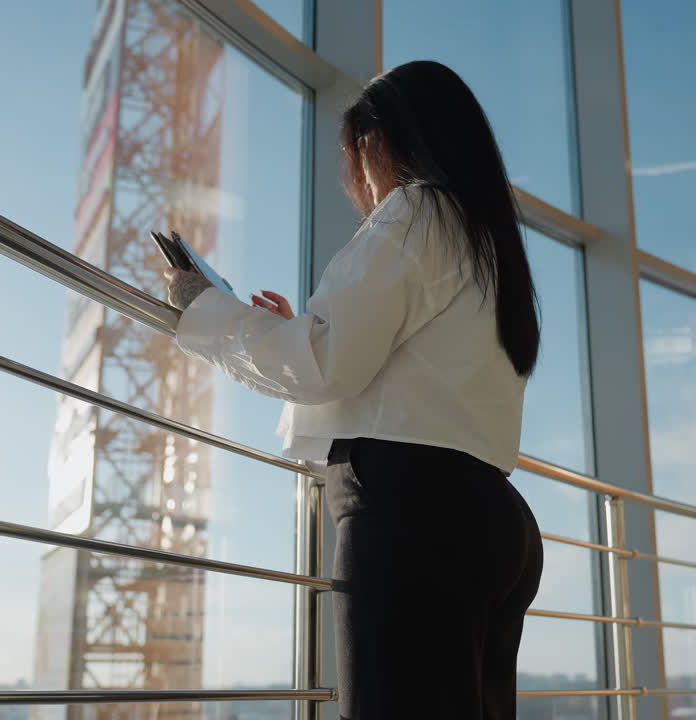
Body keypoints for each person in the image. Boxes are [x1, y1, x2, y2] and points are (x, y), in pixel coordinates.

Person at [165, 60, 543, 720]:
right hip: (489, 516)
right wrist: (298, 332)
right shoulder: (483, 239)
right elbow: (382, 361)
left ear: (379, 141)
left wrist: (205, 310)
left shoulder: (416, 212)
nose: (352, 182)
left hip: (412, 514)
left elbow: (326, 365)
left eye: (351, 154)